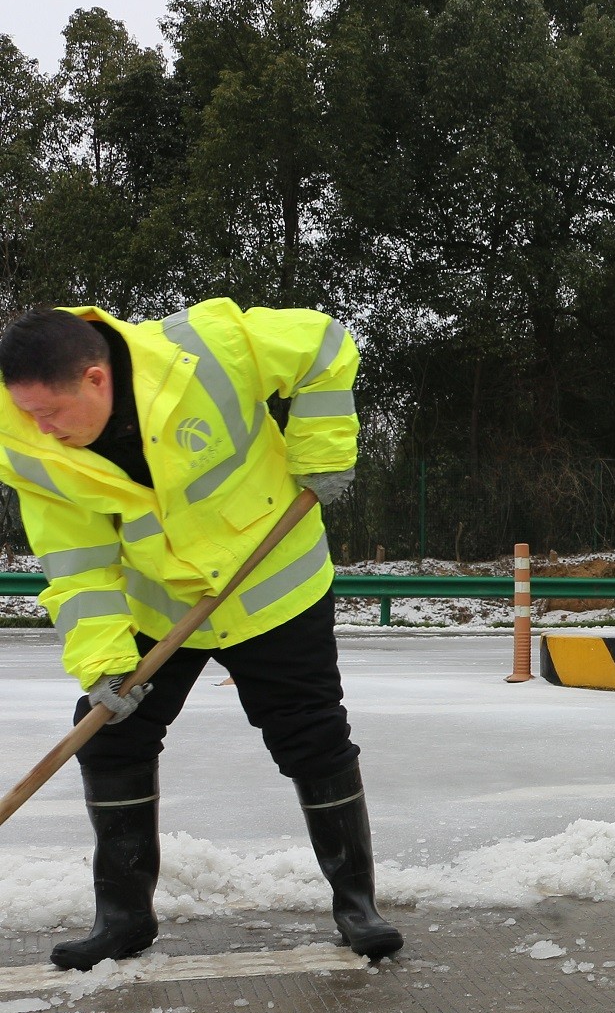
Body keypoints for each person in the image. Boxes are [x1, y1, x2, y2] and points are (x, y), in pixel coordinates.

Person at [0, 303, 402, 969]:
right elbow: (76, 562)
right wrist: (104, 664)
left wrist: (322, 450)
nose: (42, 428)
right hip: (161, 603)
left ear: (96, 379)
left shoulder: (208, 346)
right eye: (28, 414)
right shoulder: (25, 444)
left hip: (270, 583)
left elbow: (323, 345)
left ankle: (357, 906)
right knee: (110, 730)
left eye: (52, 413)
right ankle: (124, 918)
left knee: (311, 733)